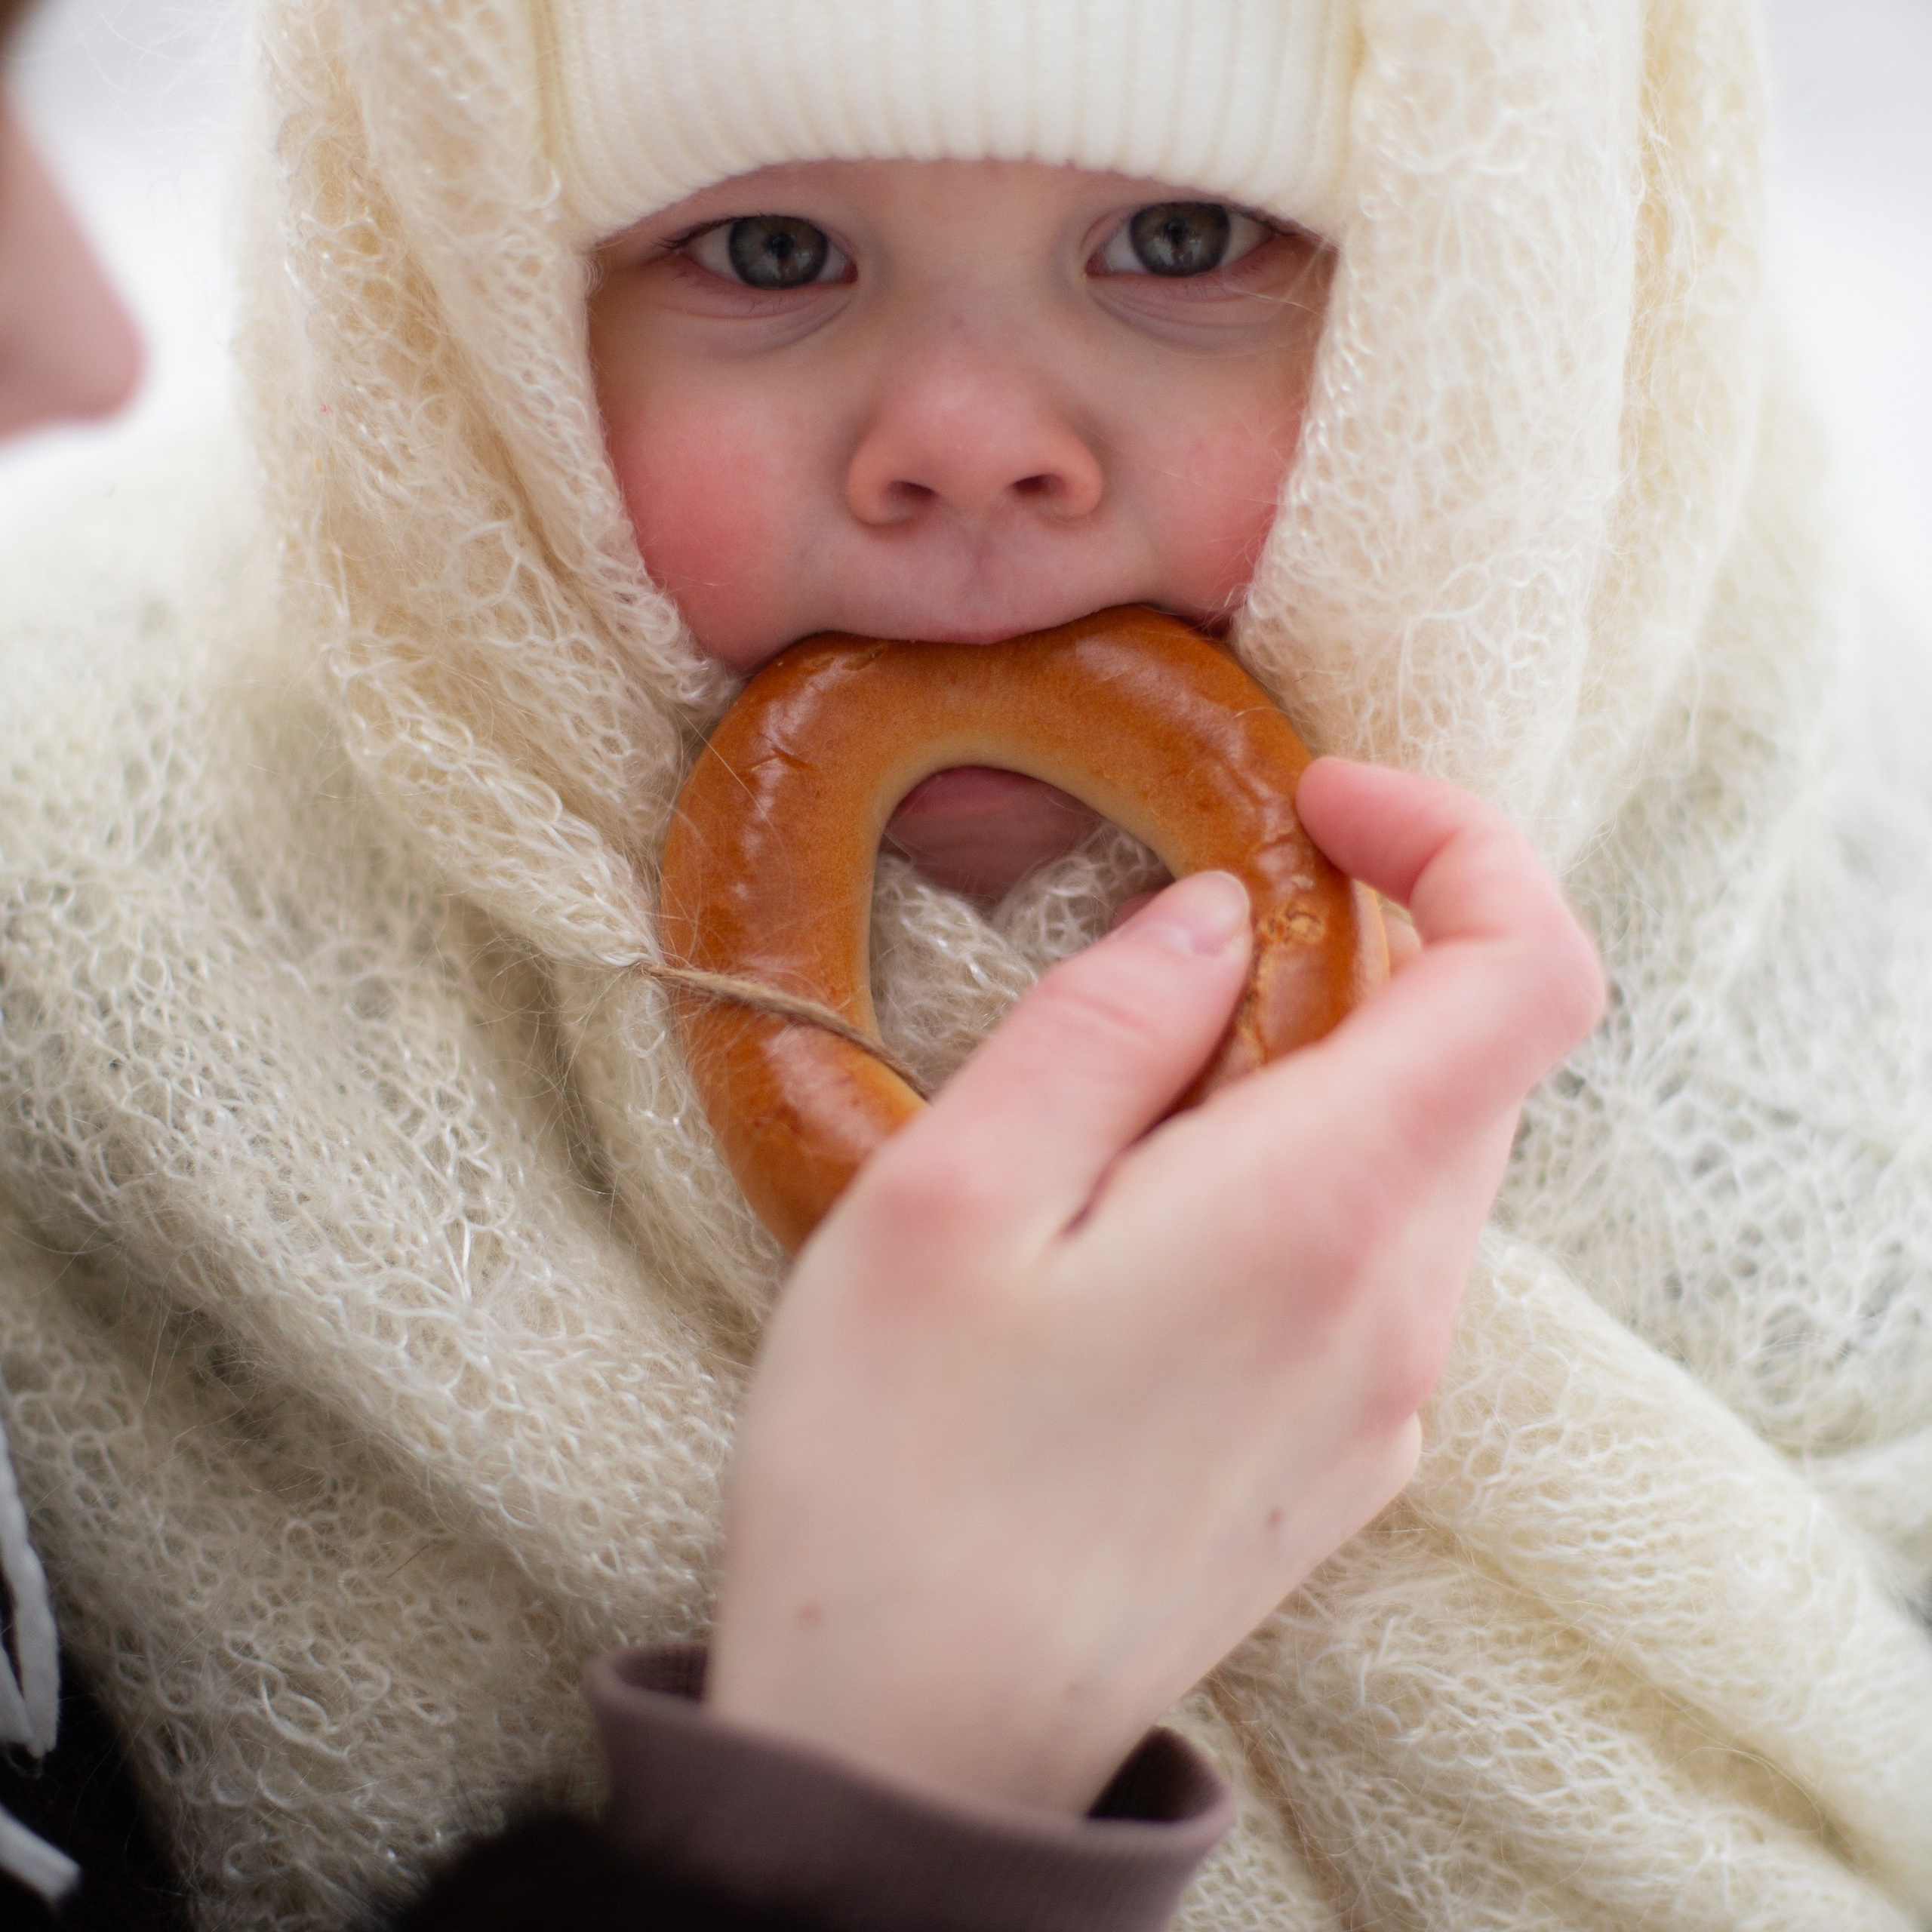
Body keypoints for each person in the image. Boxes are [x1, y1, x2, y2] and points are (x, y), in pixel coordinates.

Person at [2, 2, 1930, 1929]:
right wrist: (884, 1789)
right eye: (769, 250)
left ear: (1502, 304)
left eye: (1179, 237)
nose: (969, 442)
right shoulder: (67, 983)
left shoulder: (1866, 936)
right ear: (468, 322)